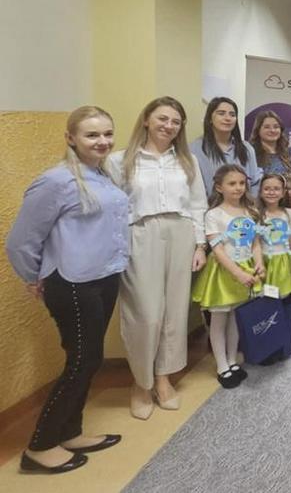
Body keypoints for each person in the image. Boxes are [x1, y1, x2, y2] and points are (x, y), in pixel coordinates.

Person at [6, 106, 127, 474]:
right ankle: (40, 447)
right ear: (71, 138)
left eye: (107, 133)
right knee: (82, 361)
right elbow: (21, 241)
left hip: (104, 277)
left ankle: (69, 432)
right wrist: (34, 277)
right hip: (72, 281)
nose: (102, 141)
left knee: (90, 358)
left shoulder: (104, 174)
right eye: (92, 135)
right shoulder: (56, 181)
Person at [106, 96, 207, 419]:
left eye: (176, 122)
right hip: (140, 234)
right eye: (163, 119)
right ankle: (141, 382)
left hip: (181, 233)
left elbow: (198, 204)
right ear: (147, 120)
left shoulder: (187, 161)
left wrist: (200, 245)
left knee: (174, 312)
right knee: (145, 313)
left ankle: (163, 378)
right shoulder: (120, 161)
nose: (169, 126)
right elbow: (112, 208)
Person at [191, 165, 262, 388]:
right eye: (232, 183)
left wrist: (259, 262)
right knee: (220, 319)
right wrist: (238, 273)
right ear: (219, 187)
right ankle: (221, 365)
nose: (238, 188)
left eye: (241, 183)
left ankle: (232, 360)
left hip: (245, 270)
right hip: (224, 272)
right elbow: (218, 249)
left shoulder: (250, 211)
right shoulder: (213, 215)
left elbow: (255, 242)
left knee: (235, 317)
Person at [190, 96, 261, 197]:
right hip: (209, 206)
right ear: (210, 118)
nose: (227, 118)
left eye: (232, 115)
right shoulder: (195, 149)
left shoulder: (246, 148)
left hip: (244, 206)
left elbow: (255, 183)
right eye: (221, 113)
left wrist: (251, 204)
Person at [257, 173, 291, 301]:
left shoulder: (289, 213)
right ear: (260, 192)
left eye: (276, 189)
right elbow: (256, 242)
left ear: (283, 193)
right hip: (264, 261)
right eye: (267, 189)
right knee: (265, 297)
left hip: (284, 261)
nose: (271, 192)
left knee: (283, 295)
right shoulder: (256, 214)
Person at [249, 110, 291, 177]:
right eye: (267, 127)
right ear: (258, 130)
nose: (272, 130)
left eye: (276, 127)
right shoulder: (251, 153)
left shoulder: (290, 153)